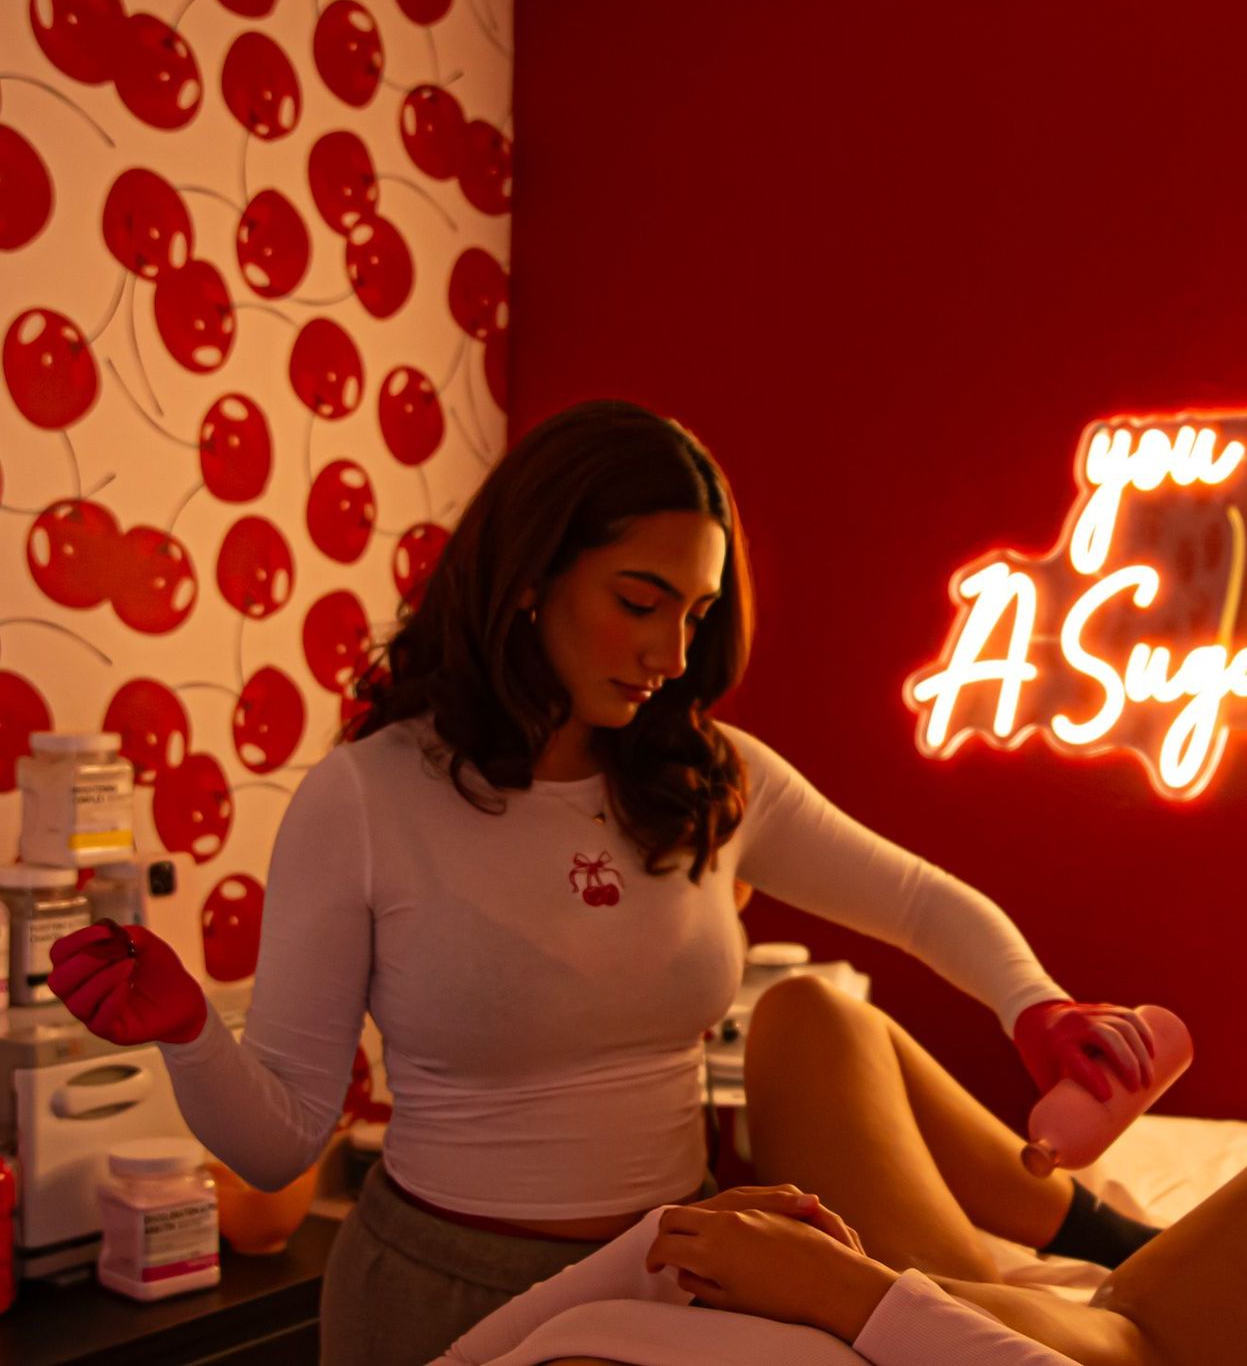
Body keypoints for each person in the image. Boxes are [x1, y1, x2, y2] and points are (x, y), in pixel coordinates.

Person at [48, 400, 1161, 1363]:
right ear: (531, 576)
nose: (673, 650)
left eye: (696, 610)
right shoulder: (370, 799)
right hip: (446, 1289)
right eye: (640, 600)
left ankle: (1099, 1250)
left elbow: (919, 900)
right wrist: (190, 1028)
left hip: (671, 1271)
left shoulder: (706, 779)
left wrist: (1033, 1003)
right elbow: (282, 1136)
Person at [434, 982, 1247, 1365]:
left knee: (808, 1014)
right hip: (1115, 1350)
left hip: (882, 1280)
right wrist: (842, 1294)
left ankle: (1102, 1230)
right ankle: (1148, 1271)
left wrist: (678, 1230)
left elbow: (485, 1342)